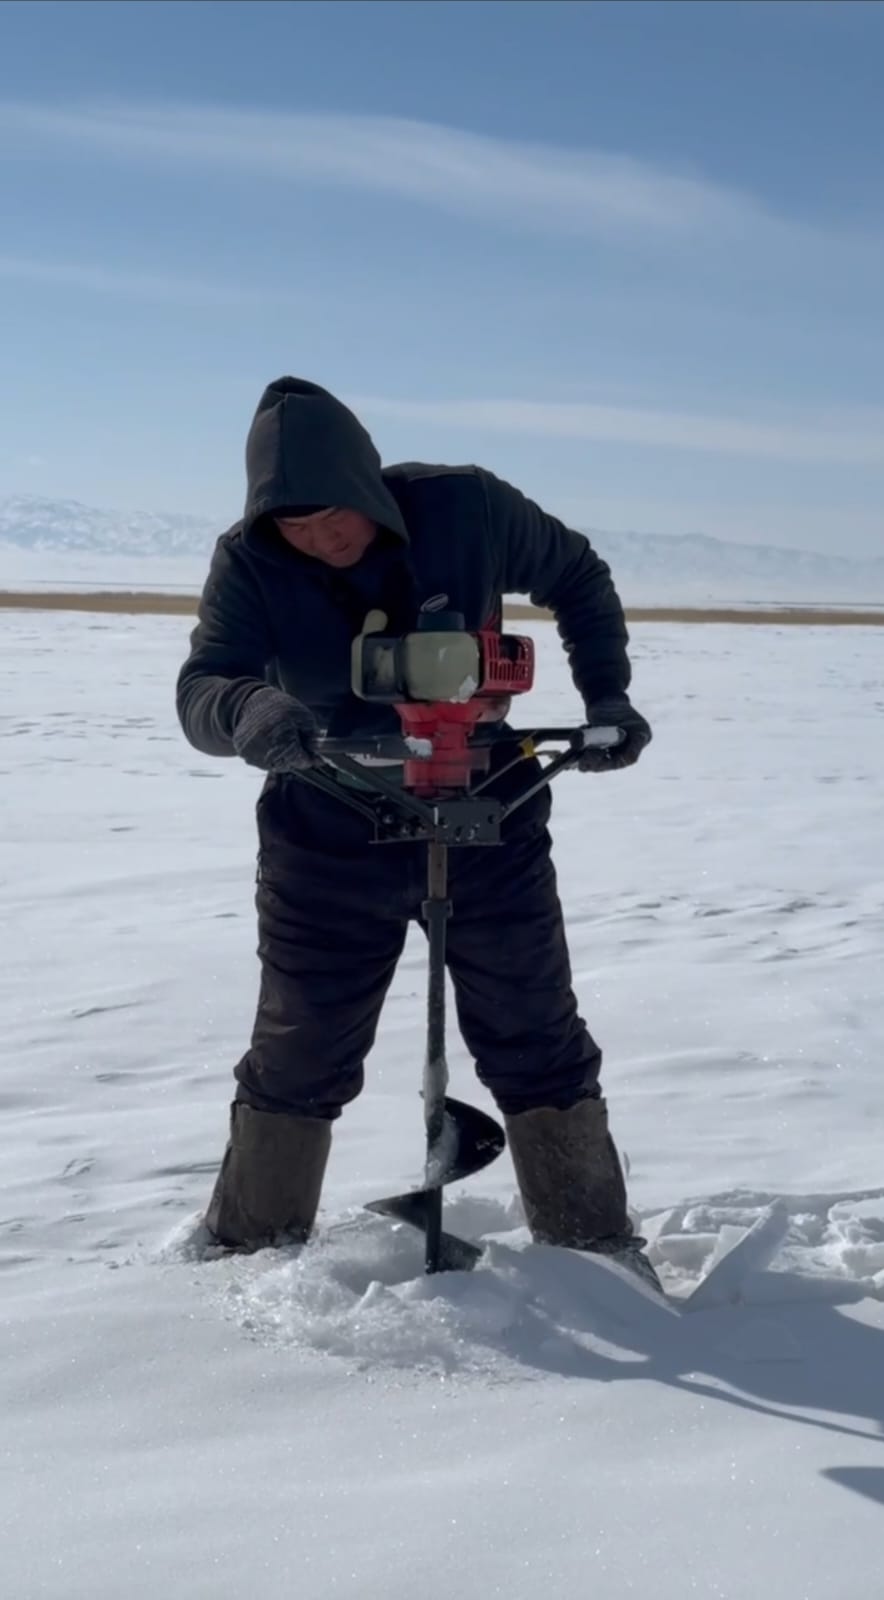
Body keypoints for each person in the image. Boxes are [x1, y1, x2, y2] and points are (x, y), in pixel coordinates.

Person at [176, 376, 657, 1286]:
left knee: (533, 1030)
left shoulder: (466, 507)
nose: (320, 539)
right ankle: (246, 1256)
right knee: (302, 1045)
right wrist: (248, 708)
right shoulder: (248, 561)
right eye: (295, 525)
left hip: (492, 808)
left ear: (366, 486)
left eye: (333, 516)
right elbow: (201, 686)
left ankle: (596, 1255)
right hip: (329, 821)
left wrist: (608, 698)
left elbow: (578, 576)